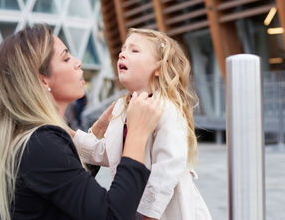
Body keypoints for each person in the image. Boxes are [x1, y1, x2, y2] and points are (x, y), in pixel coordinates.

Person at [0, 25, 162, 220]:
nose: (78, 63)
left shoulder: (33, 139)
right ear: (43, 80)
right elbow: (113, 215)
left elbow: (72, 192)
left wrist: (92, 139)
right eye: (66, 58)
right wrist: (137, 135)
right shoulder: (40, 145)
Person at [73, 28, 212, 220]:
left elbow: (169, 166)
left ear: (158, 67)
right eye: (123, 49)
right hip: (133, 206)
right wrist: (68, 134)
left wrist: (149, 215)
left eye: (134, 50)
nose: (122, 53)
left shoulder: (166, 108)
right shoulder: (122, 106)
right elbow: (107, 152)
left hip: (166, 213)